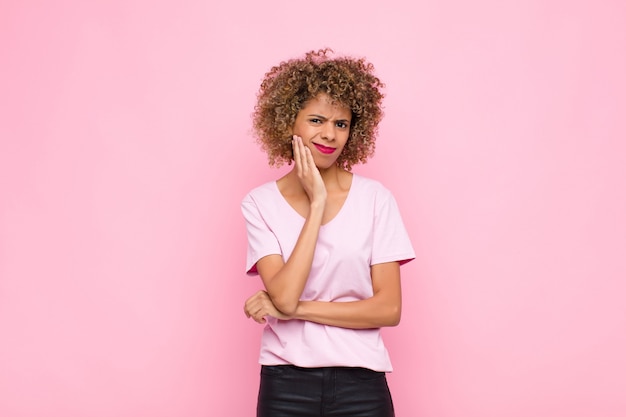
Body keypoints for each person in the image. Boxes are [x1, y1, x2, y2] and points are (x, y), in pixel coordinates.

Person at [241, 48, 415, 417]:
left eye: (341, 124)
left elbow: (389, 308)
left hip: (362, 383)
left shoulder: (375, 199)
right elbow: (284, 297)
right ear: (289, 121)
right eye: (317, 120)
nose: (330, 135)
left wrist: (295, 311)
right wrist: (317, 203)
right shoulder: (259, 204)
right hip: (285, 383)